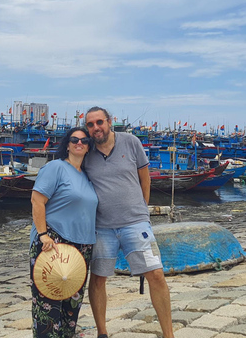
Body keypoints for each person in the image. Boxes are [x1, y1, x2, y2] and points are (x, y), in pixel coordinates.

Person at [84, 106, 174, 338]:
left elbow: (145, 178)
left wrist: (142, 210)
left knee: (156, 274)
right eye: (91, 124)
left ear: (109, 122)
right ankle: (102, 333)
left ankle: (169, 334)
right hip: (102, 227)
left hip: (135, 223)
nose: (96, 128)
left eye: (99, 122)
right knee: (98, 278)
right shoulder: (87, 152)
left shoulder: (131, 142)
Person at [30, 127, 98, 338]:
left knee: (71, 308)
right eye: (74, 139)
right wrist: (43, 235)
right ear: (67, 144)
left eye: (84, 140)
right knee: (48, 307)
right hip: (54, 241)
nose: (79, 143)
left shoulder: (86, 176)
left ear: (89, 147)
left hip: (82, 248)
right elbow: (37, 200)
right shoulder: (56, 167)